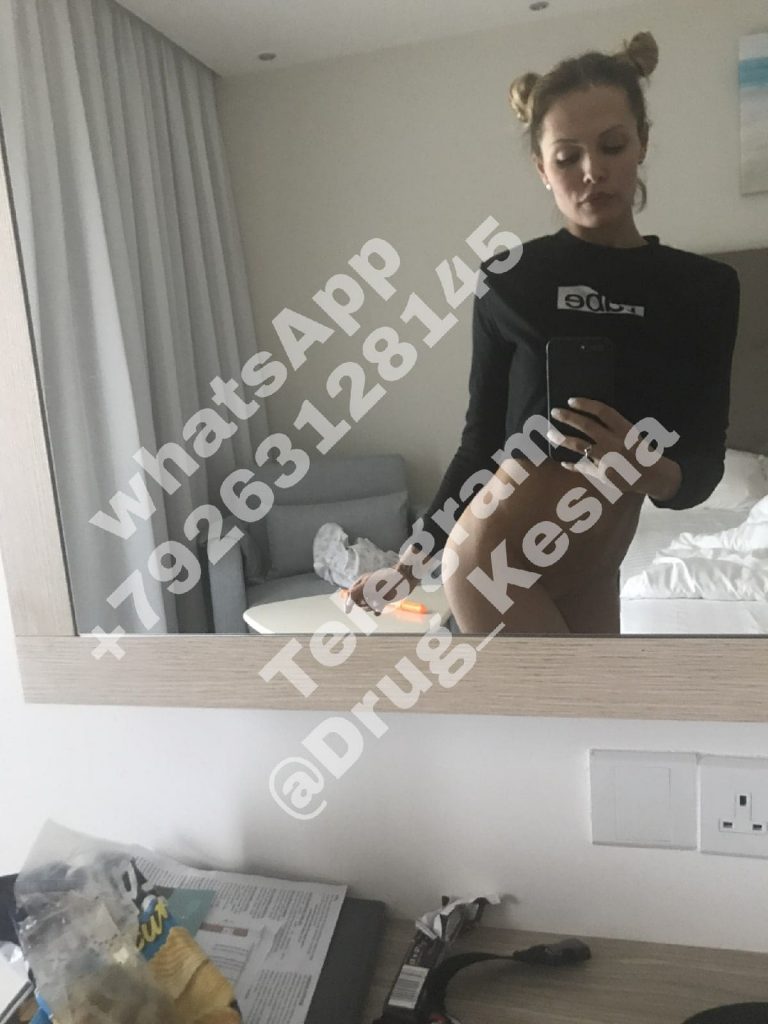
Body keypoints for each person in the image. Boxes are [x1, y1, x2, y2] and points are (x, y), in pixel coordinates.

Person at [345, 30, 741, 635]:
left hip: (595, 562)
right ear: (541, 168)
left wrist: (644, 467)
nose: (593, 171)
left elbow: (704, 463)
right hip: (492, 559)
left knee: (590, 702)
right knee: (563, 699)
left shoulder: (704, 290)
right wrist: (409, 564)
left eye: (612, 146)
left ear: (642, 142)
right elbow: (481, 444)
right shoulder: (510, 280)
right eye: (567, 157)